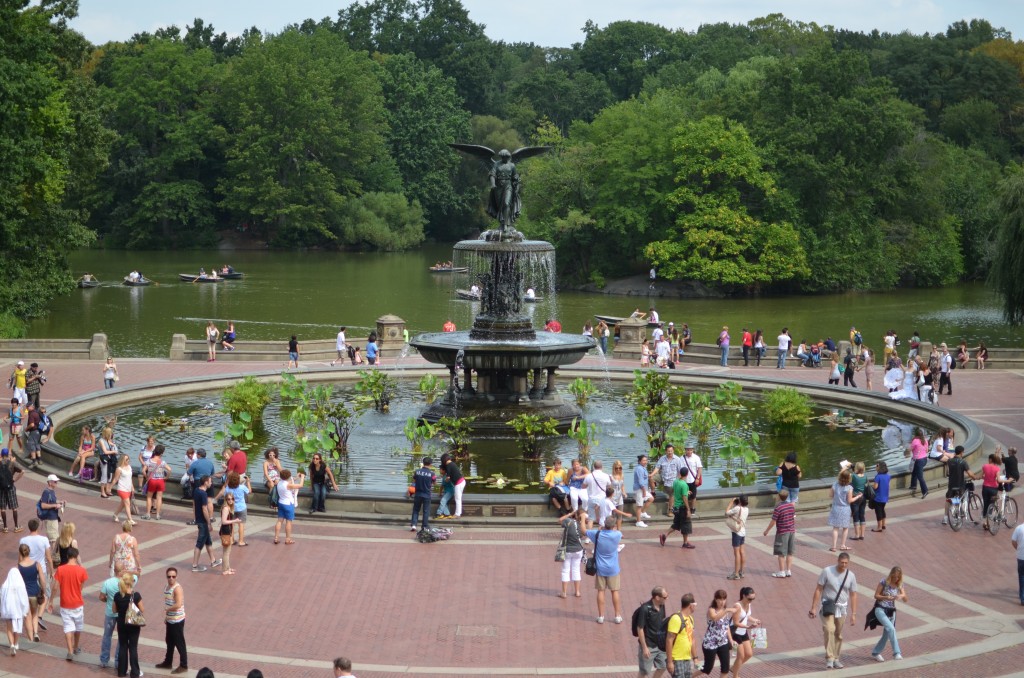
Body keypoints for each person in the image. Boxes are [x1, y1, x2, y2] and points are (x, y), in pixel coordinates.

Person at [809, 552, 858, 670]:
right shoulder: (827, 571)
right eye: (842, 562)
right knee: (829, 629)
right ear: (838, 561)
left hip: (842, 608)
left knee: (838, 634)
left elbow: (853, 594)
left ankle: (836, 658)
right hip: (828, 606)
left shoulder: (851, 575)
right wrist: (813, 608)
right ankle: (830, 658)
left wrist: (854, 614)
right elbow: (818, 589)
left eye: (846, 563)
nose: (844, 565)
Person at [49, 546, 88, 662]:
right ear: (76, 557)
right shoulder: (82, 570)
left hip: (65, 603)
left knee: (68, 627)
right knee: (78, 626)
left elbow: (55, 587)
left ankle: (70, 651)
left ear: (67, 556)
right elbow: (81, 586)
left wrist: (51, 601)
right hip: (77, 603)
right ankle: (76, 646)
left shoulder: (60, 570)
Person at [587, 516, 623, 624]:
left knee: (601, 591)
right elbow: (619, 532)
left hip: (600, 568)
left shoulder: (597, 535)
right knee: (614, 591)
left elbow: (584, 530)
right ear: (614, 526)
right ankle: (617, 615)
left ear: (604, 524)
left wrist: (585, 520)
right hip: (613, 568)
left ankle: (601, 616)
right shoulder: (617, 535)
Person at [867, 565, 907, 662]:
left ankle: (876, 652)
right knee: (891, 629)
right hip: (880, 609)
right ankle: (897, 653)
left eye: (898, 577)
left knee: (887, 634)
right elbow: (876, 595)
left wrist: (901, 595)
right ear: (891, 575)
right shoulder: (884, 582)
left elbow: (906, 599)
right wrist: (885, 597)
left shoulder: (900, 585)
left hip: (891, 611)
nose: (896, 578)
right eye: (894, 576)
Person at [155, 566, 188, 673]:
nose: (171, 578)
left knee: (179, 643)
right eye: (169, 576)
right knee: (169, 641)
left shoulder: (177, 588)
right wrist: (167, 616)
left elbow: (178, 604)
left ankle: (184, 665)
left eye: (173, 576)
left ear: (176, 577)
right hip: (170, 619)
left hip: (177, 620)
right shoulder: (167, 587)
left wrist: (167, 609)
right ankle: (168, 662)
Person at [113, 571, 144, 677]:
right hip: (133, 625)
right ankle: (135, 672)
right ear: (131, 582)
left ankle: (121, 671)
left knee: (123, 646)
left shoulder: (117, 595)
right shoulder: (136, 595)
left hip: (121, 624)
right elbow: (142, 609)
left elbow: (114, 610)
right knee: (133, 647)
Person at [98, 563, 128, 669]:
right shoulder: (125, 582)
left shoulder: (107, 582)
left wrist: (108, 601)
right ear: (122, 571)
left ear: (114, 570)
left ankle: (104, 660)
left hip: (110, 612)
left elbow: (101, 597)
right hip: (121, 614)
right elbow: (137, 575)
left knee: (107, 636)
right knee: (121, 638)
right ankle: (118, 661)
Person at [699, 589, 734, 677]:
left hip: (723, 642)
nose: (722, 602)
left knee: (725, 668)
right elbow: (715, 618)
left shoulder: (725, 611)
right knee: (707, 668)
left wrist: (731, 640)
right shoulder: (711, 610)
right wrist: (726, 611)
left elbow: (726, 626)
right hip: (710, 643)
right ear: (715, 599)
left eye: (724, 599)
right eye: (720, 599)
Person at [190, 476, 222, 572]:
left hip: (199, 519)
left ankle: (213, 561)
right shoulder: (203, 494)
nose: (211, 483)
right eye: (210, 482)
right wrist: (209, 522)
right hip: (203, 522)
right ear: (205, 482)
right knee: (199, 543)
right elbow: (204, 509)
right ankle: (195, 565)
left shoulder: (196, 490)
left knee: (208, 541)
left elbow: (195, 505)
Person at [635, 585, 668, 678]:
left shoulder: (662, 605)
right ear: (657, 597)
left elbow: (662, 621)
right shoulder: (645, 609)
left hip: (660, 644)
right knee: (644, 671)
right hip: (649, 645)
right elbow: (640, 628)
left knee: (663, 666)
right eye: (665, 597)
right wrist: (644, 647)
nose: (667, 598)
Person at [763, 488, 796, 578]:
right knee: (790, 552)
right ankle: (788, 570)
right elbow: (793, 517)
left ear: (779, 496)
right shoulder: (791, 506)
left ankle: (781, 571)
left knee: (781, 553)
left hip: (782, 532)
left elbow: (773, 521)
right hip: (791, 531)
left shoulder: (778, 507)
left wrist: (767, 531)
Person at [665, 593, 699, 678]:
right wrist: (670, 662)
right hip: (677, 659)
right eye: (695, 605)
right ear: (691, 606)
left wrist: (695, 657)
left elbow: (692, 639)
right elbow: (669, 640)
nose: (695, 607)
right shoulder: (676, 619)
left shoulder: (690, 618)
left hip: (687, 658)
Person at [17, 543, 44, 646]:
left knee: (27, 616)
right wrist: (43, 590)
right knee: (35, 614)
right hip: (34, 593)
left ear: (20, 553)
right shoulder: (36, 564)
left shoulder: (19, 566)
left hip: (24, 594)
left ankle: (30, 638)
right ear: (29, 552)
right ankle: (36, 633)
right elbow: (42, 579)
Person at [942, 445, 976, 526]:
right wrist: (975, 477)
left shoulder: (949, 461)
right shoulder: (963, 462)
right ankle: (959, 514)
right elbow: (970, 473)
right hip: (960, 484)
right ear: (961, 452)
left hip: (951, 484)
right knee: (961, 498)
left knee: (948, 499)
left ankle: (945, 518)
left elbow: (948, 472)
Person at [730, 587, 760, 678]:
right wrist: (748, 627)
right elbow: (735, 622)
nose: (751, 601)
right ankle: (735, 676)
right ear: (743, 596)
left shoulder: (748, 604)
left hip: (743, 632)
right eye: (750, 599)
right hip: (735, 633)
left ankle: (734, 667)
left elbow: (747, 616)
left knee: (749, 654)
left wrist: (755, 620)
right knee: (741, 656)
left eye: (753, 599)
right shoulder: (737, 606)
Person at [556, 508, 586, 598]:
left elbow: (559, 520)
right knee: (576, 570)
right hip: (578, 550)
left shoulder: (568, 522)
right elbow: (584, 533)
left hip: (568, 550)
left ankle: (564, 593)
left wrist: (569, 514)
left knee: (565, 571)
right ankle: (577, 592)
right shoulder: (582, 525)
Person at [1, 560, 29, 656]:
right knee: (17, 628)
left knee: (9, 628)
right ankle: (16, 643)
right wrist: (25, 610)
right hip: (18, 610)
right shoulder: (21, 585)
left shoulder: (5, 586)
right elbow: (24, 599)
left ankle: (11, 644)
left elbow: (2, 599)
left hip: (8, 611)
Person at [828, 469, 860, 551]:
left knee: (835, 528)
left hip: (836, 507)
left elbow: (830, 495)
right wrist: (857, 497)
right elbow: (849, 501)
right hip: (845, 509)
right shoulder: (849, 488)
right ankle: (842, 545)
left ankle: (834, 546)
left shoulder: (835, 484)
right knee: (845, 528)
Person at [658, 473, 692, 549]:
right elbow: (684, 498)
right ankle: (685, 543)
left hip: (676, 507)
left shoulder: (676, 482)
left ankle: (665, 535)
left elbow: (675, 491)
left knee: (676, 524)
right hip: (682, 507)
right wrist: (688, 509)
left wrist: (686, 492)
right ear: (686, 475)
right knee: (686, 524)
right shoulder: (684, 485)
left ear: (680, 474)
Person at [274, 468, 304, 544]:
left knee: (279, 521)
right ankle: (288, 539)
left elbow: (290, 480)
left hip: (281, 503)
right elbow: (300, 485)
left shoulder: (279, 483)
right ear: (288, 477)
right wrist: (302, 477)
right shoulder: (288, 485)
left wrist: (296, 477)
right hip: (288, 504)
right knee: (288, 522)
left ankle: (276, 538)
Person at [651, 445, 682, 517]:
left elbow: (680, 471)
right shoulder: (662, 458)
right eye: (668, 451)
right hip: (663, 477)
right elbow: (657, 467)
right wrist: (651, 474)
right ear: (666, 451)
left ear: (673, 451)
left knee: (671, 495)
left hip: (672, 480)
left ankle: (670, 510)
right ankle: (653, 492)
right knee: (651, 478)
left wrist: (679, 481)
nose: (670, 452)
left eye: (671, 451)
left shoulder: (677, 459)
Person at [981, 451, 1008, 533]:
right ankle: (989, 519)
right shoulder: (997, 468)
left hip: (985, 487)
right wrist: (1008, 481)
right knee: (991, 504)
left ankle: (985, 522)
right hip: (993, 489)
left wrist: (976, 477)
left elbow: (982, 476)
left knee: (985, 504)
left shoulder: (985, 466)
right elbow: (999, 480)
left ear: (990, 459)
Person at [143, 444, 172, 520]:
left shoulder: (149, 461)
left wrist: (147, 477)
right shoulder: (162, 462)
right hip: (160, 480)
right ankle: (157, 515)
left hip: (152, 480)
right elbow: (169, 469)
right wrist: (166, 477)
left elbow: (143, 471)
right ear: (162, 453)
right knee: (159, 498)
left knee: (149, 497)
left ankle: (148, 514)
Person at [222, 472, 251, 545]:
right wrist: (248, 482)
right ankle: (241, 541)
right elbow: (249, 491)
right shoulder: (242, 487)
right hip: (242, 507)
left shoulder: (227, 488)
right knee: (241, 524)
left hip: (232, 508)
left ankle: (231, 540)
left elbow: (225, 496)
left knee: (232, 524)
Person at [726, 496, 749, 580]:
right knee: (742, 552)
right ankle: (742, 571)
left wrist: (731, 502)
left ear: (740, 501)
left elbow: (726, 512)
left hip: (736, 532)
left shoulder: (737, 508)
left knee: (736, 553)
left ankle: (736, 573)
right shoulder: (746, 509)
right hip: (743, 532)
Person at [409, 457, 435, 532]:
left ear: (423, 463)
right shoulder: (432, 473)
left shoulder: (417, 471)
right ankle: (424, 526)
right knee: (426, 511)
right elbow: (434, 482)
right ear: (430, 464)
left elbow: (414, 481)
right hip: (427, 494)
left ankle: (414, 525)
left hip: (418, 493)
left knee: (416, 510)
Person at [0, 448, 23, 532]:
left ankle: (5, 527)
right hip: (11, 487)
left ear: (1, 455)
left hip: (1, 488)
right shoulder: (12, 463)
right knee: (14, 508)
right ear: (8, 455)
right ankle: (16, 526)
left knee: (2, 508)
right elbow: (22, 471)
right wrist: (14, 480)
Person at [438, 453, 465, 519]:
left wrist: (445, 479)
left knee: (457, 499)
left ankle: (457, 514)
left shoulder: (448, 465)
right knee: (458, 498)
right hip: (462, 481)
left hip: (458, 483)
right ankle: (458, 513)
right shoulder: (452, 464)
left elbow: (448, 478)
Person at [111, 454, 136, 524]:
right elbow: (115, 479)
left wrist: (132, 487)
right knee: (127, 503)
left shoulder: (129, 467)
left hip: (128, 488)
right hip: (122, 488)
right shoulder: (119, 469)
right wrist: (110, 487)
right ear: (123, 460)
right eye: (126, 459)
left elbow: (130, 478)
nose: (128, 461)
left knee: (123, 504)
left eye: (128, 459)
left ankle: (115, 514)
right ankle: (130, 519)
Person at [38, 474, 64, 543]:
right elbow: (43, 505)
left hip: (53, 518)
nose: (56, 483)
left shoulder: (52, 491)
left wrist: (59, 502)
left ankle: (53, 553)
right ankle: (53, 553)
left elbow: (52, 502)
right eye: (55, 481)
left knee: (54, 538)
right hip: (50, 519)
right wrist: (55, 505)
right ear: (50, 483)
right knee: (54, 539)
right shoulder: (46, 492)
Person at [219, 494, 241, 576]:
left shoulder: (229, 508)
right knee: (226, 552)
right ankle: (225, 570)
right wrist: (235, 521)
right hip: (225, 531)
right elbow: (224, 521)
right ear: (226, 500)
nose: (230, 500)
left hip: (228, 531)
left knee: (228, 551)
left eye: (232, 499)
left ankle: (228, 567)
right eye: (228, 499)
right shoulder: (225, 508)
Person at [680, 443, 703, 516]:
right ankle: (686, 508)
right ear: (685, 450)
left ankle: (692, 508)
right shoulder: (682, 458)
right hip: (684, 480)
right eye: (687, 450)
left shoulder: (696, 458)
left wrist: (698, 478)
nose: (689, 451)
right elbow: (679, 470)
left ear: (693, 450)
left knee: (693, 496)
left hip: (693, 479)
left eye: (690, 450)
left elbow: (699, 468)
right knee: (684, 495)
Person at [907, 427, 929, 499]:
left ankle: (925, 491)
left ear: (915, 435)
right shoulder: (925, 440)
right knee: (914, 472)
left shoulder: (915, 441)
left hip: (918, 460)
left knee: (920, 477)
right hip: (924, 459)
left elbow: (910, 450)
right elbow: (926, 450)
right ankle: (913, 485)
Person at [632, 454, 654, 528]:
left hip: (643, 488)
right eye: (643, 460)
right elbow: (641, 482)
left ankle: (643, 512)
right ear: (639, 461)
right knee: (639, 505)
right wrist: (644, 491)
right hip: (639, 489)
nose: (645, 462)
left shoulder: (643, 468)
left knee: (651, 498)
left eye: (646, 460)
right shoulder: (639, 469)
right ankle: (638, 521)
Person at [98, 427, 119, 499]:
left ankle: (107, 490)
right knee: (104, 474)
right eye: (110, 434)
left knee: (109, 474)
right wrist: (113, 451)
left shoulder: (109, 440)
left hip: (110, 459)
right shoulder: (101, 440)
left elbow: (115, 449)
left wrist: (113, 446)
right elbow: (105, 451)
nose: (111, 435)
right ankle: (102, 492)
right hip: (104, 459)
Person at [850, 461, 869, 541]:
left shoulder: (854, 476)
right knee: (862, 515)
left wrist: (848, 466)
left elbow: (845, 475)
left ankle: (857, 535)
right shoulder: (865, 476)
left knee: (856, 516)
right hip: (863, 497)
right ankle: (862, 535)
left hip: (855, 497)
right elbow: (866, 484)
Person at [871, 462, 891, 532]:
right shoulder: (888, 476)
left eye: (877, 465)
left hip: (878, 497)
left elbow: (875, 487)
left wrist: (871, 487)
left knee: (878, 512)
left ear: (879, 467)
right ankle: (883, 524)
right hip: (885, 496)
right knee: (882, 510)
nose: (875, 467)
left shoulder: (878, 477)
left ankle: (879, 527)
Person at [1012, 520, 1024, 606]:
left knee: (1022, 577)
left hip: (1021, 557)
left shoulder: (1019, 528)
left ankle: (1022, 597)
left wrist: (1018, 549)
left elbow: (1013, 541)